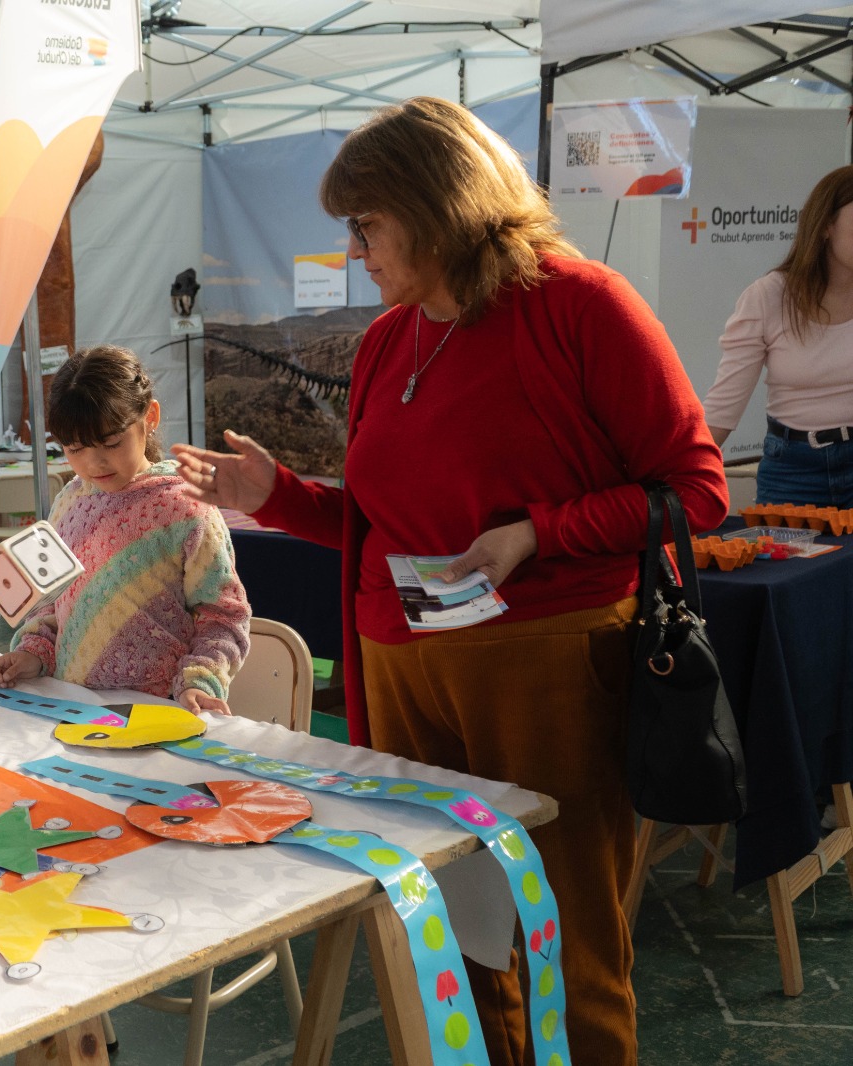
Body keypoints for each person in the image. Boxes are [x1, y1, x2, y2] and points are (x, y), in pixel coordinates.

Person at [170, 98, 727, 1066]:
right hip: (400, 671)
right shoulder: (391, 337)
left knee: (560, 932)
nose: (355, 250)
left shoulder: (580, 303)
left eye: (366, 223)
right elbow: (386, 526)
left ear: (438, 204)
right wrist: (282, 495)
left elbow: (694, 490)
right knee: (456, 934)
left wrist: (537, 532)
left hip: (545, 661)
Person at [0, 345, 250, 715]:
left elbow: (223, 616)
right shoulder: (69, 503)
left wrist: (199, 682)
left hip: (156, 712)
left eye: (111, 442)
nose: (94, 462)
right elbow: (50, 605)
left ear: (150, 417)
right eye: (75, 449)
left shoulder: (186, 506)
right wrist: (33, 652)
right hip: (69, 708)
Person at [704, 165, 853, 506]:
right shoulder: (769, 297)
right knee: (791, 562)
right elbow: (722, 412)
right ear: (826, 225)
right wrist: (671, 478)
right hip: (793, 472)